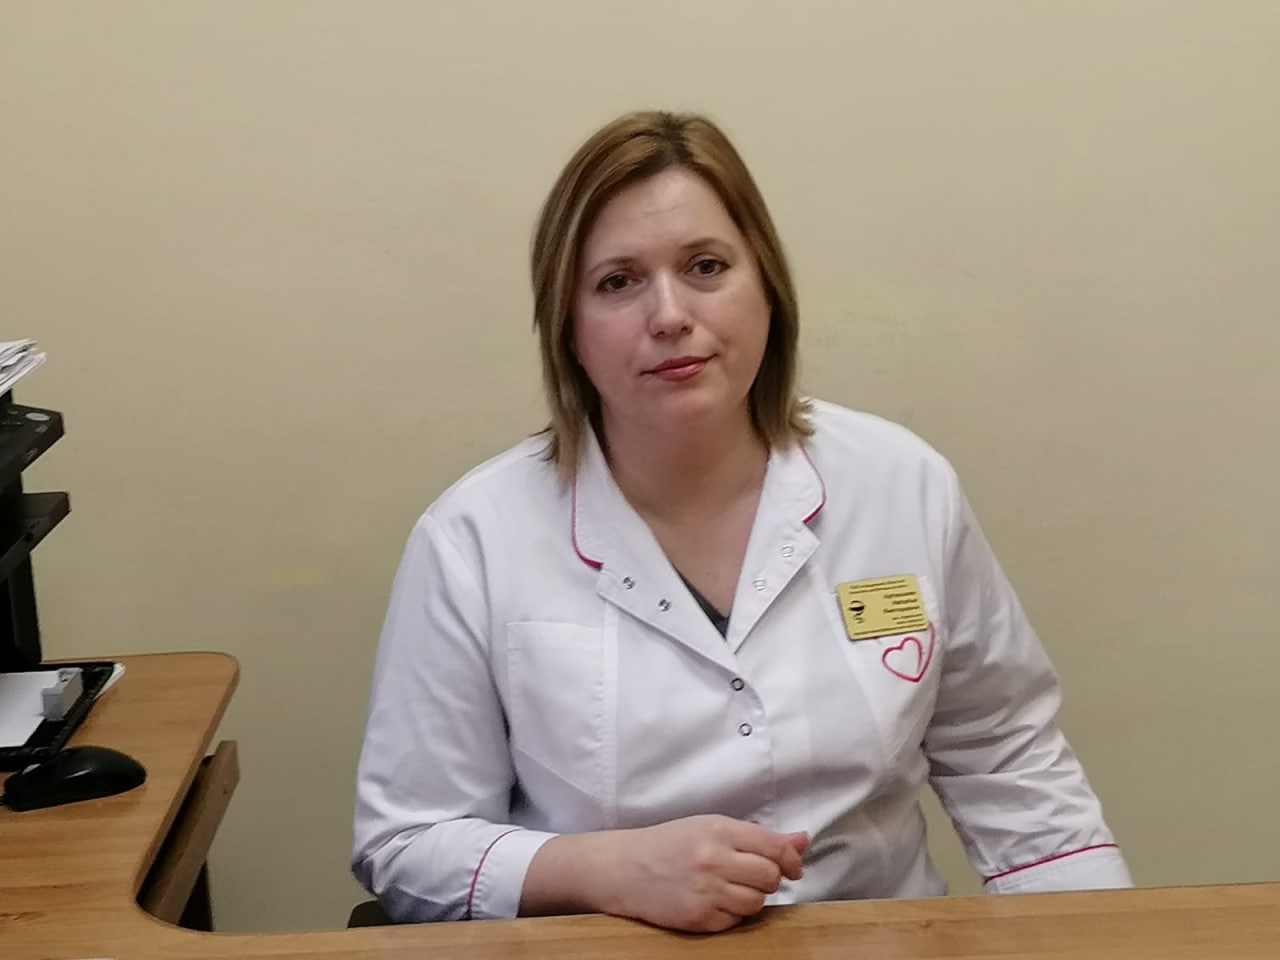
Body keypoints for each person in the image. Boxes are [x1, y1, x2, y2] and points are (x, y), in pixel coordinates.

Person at [351, 110, 1132, 933]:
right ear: (569, 329)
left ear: (767, 288)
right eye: (617, 282)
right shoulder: (474, 538)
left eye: (706, 267)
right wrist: (606, 871)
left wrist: (1103, 938)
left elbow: (1008, 759)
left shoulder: (902, 484)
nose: (669, 315)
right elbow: (409, 844)